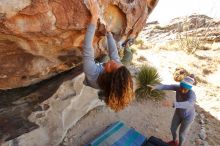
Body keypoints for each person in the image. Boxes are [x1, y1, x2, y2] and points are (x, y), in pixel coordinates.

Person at [83, 0, 134, 112]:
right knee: (124, 58)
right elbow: (114, 54)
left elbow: (87, 48)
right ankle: (128, 47)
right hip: (105, 74)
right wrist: (109, 35)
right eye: (119, 65)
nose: (116, 62)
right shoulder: (117, 68)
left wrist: (94, 17)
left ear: (108, 73)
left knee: (104, 58)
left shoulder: (92, 74)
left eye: (114, 66)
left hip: (94, 76)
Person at [150, 76, 196, 146]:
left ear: (189, 89)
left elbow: (189, 104)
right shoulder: (177, 88)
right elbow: (166, 86)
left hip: (188, 117)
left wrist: (173, 104)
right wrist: (156, 87)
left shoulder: (192, 94)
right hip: (178, 113)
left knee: (182, 134)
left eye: (185, 89)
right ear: (180, 85)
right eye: (182, 88)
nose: (183, 91)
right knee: (172, 129)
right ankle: (174, 141)